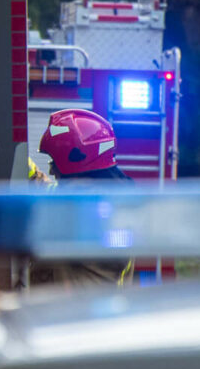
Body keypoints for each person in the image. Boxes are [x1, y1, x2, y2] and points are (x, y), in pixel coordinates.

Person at [36, 108, 134, 286]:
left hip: (77, 311)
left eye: (54, 163)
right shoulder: (111, 201)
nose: (51, 170)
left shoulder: (80, 211)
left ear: (73, 162)